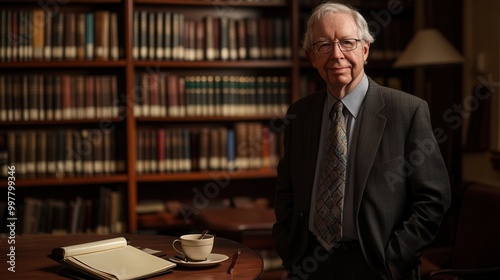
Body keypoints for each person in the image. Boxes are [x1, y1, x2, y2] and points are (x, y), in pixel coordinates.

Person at [272, 2, 451, 280]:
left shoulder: (406, 111)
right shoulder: (299, 114)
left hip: (376, 265)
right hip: (309, 262)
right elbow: (287, 190)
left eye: (347, 42)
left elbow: (433, 199)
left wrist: (393, 258)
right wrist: (289, 249)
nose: (336, 54)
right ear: (311, 56)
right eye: (323, 45)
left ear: (365, 50)